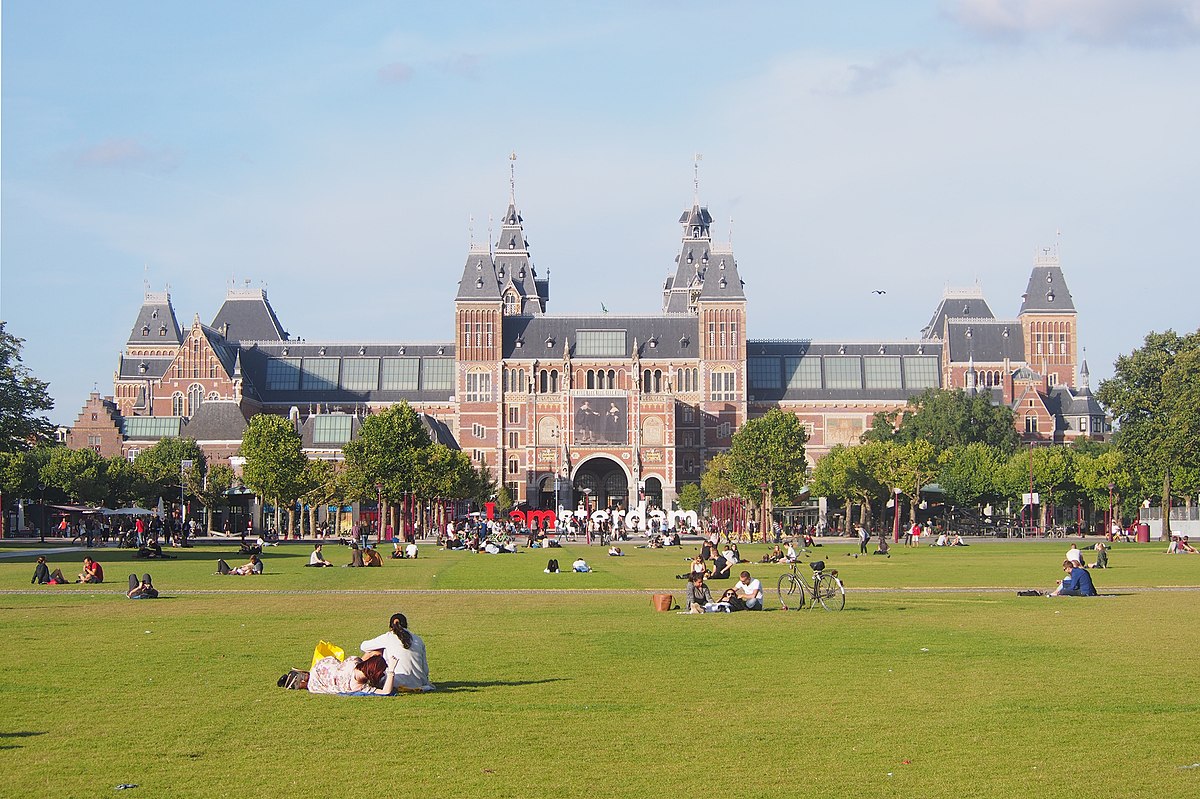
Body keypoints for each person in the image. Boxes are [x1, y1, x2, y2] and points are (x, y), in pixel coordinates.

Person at [360, 612, 435, 692]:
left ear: (391, 627)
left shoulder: (388, 637)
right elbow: (425, 669)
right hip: (418, 682)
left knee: (374, 651)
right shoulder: (418, 639)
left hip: (394, 682)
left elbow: (363, 646)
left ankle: (357, 679)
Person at [307, 653, 399, 696]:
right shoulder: (358, 686)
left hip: (323, 664)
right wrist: (391, 670)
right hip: (318, 680)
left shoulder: (354, 660)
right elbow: (386, 692)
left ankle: (305, 676)